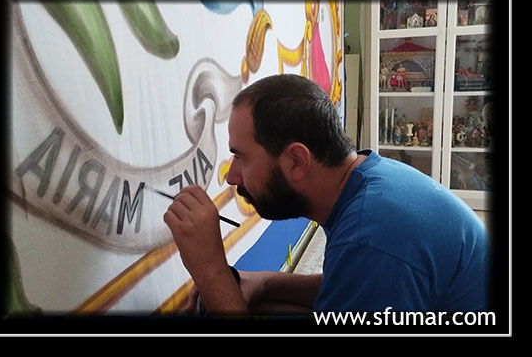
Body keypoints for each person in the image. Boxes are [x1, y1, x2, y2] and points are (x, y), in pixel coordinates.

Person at [163, 74, 489, 315]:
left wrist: (212, 272)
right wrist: (263, 282)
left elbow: (369, 263)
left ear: (296, 160)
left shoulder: (371, 236)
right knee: (262, 303)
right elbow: (352, 283)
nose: (231, 177)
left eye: (241, 157)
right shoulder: (367, 179)